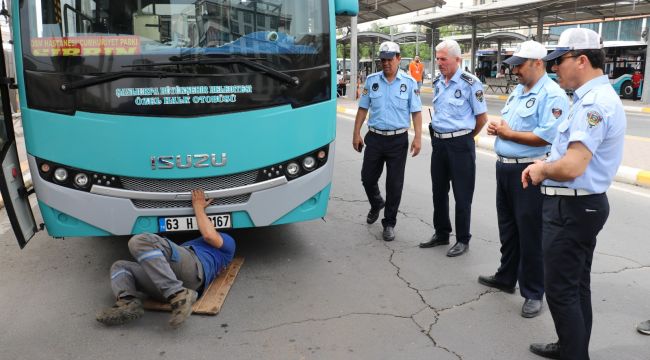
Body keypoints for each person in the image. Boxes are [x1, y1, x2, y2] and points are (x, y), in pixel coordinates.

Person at [522, 28, 626, 360]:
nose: (554, 69)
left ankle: (574, 353)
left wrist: (542, 169)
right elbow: (570, 156)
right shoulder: (590, 97)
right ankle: (570, 346)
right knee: (577, 286)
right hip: (580, 205)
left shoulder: (593, 102)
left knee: (561, 291)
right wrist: (549, 160)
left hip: (572, 207)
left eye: (559, 62)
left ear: (581, 60)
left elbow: (573, 167)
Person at [478, 40, 568, 319]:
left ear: (537, 63)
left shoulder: (552, 95)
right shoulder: (518, 91)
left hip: (529, 171)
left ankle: (533, 292)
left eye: (519, 65)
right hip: (504, 167)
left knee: (530, 233)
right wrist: (499, 128)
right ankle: (506, 277)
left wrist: (508, 134)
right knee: (508, 228)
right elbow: (512, 126)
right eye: (513, 65)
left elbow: (545, 136)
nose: (514, 70)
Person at [96, 189, 236, 328]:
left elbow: (209, 235)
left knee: (141, 241)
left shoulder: (228, 242)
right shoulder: (188, 247)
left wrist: (198, 207)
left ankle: (178, 293)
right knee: (120, 267)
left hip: (193, 271)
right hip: (164, 287)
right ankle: (128, 303)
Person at [419, 39, 488, 257]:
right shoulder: (439, 82)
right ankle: (441, 233)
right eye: (437, 59)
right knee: (438, 191)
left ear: (457, 60)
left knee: (462, 194)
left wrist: (466, 138)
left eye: (443, 59)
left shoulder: (470, 83)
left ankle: (462, 239)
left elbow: (482, 118)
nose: (439, 63)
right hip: (439, 143)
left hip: (460, 144)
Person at [353, 41, 423, 242]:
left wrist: (418, 138)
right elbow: (362, 109)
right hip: (374, 138)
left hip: (398, 140)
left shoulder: (409, 83)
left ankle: (389, 223)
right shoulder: (372, 81)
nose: (386, 63)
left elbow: (417, 113)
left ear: (398, 59)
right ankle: (376, 203)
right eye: (382, 60)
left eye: (390, 59)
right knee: (367, 178)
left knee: (394, 184)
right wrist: (356, 133)